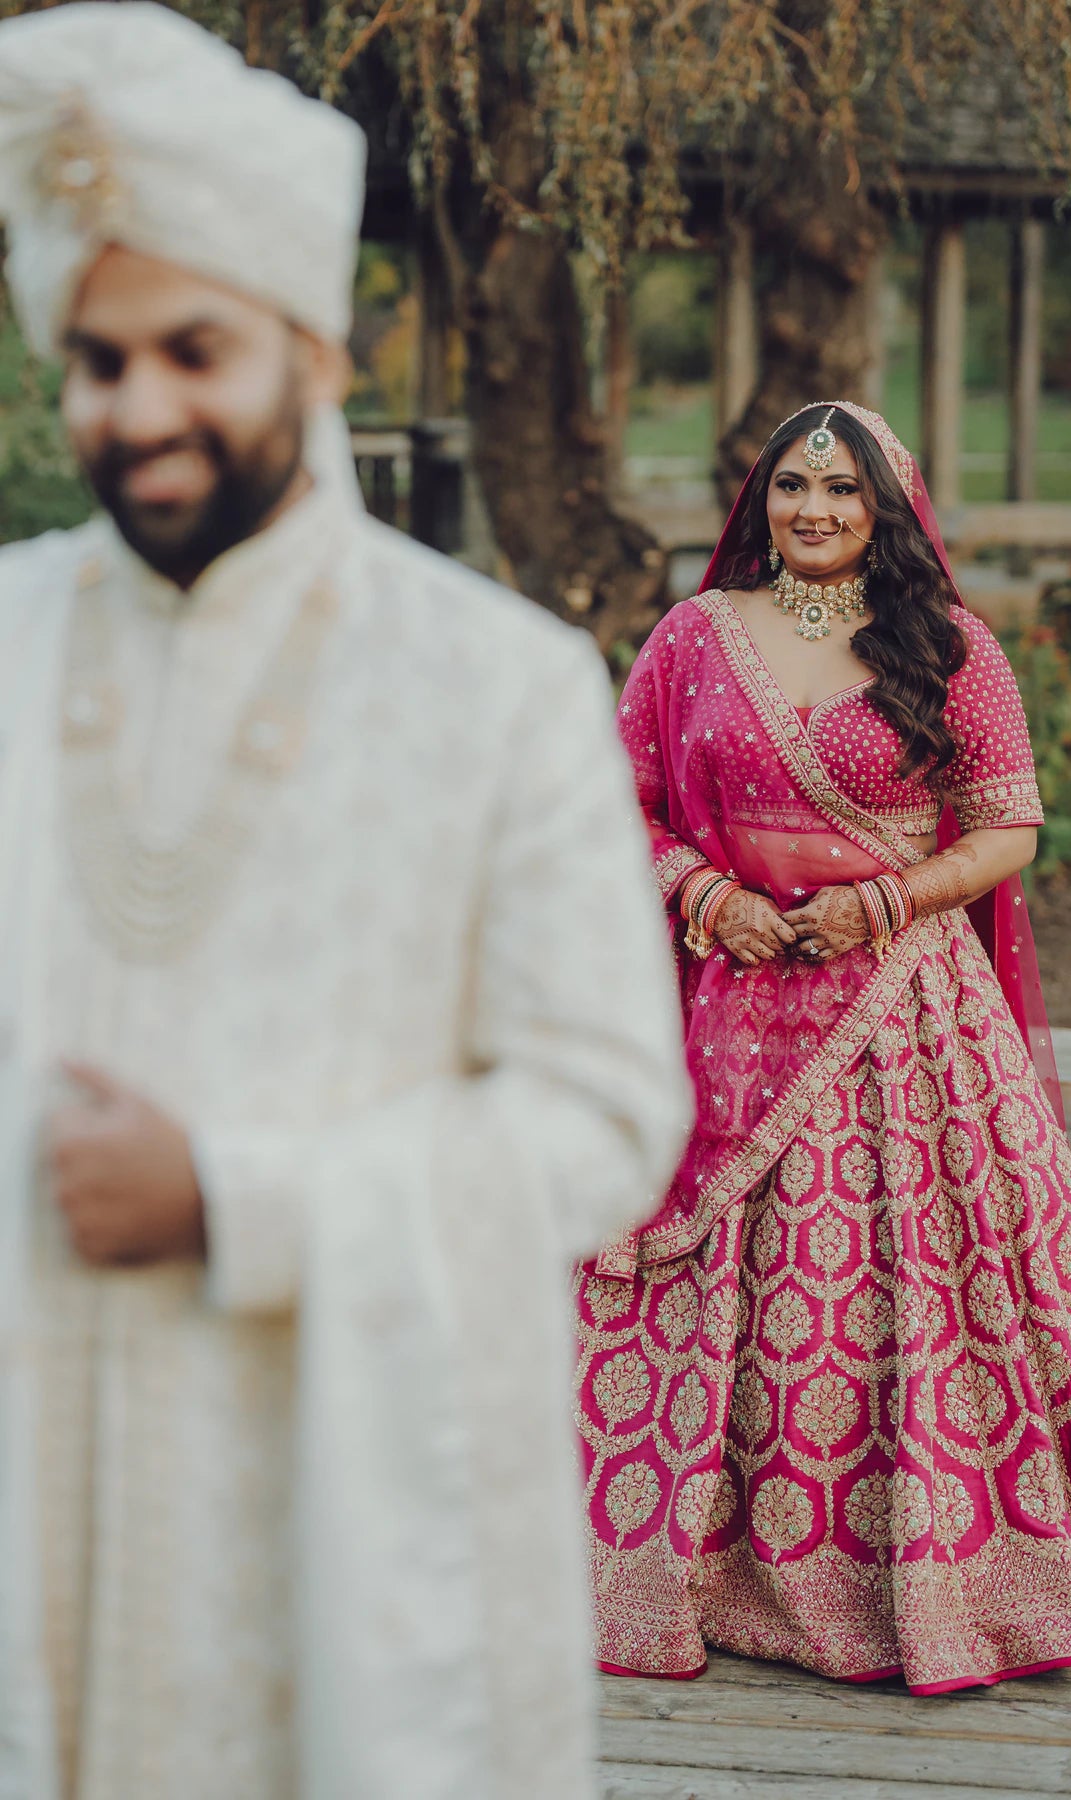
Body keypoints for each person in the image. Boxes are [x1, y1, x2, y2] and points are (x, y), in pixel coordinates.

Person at [0, 7, 691, 1798]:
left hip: (342, 1511)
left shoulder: (495, 687)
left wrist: (241, 1195)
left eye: (193, 350)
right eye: (95, 360)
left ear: (311, 348)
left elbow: (608, 1117)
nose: (138, 408)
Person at [576, 401, 1071, 1695]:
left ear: (888, 508)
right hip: (726, 1004)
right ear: (760, 500)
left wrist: (887, 901)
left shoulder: (949, 645)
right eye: (793, 486)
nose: (814, 510)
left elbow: (1007, 827)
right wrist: (706, 894)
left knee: (928, 1281)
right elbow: (612, 803)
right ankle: (701, 1549)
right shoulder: (694, 637)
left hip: (908, 1010)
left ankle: (948, 1566)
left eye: (843, 490)